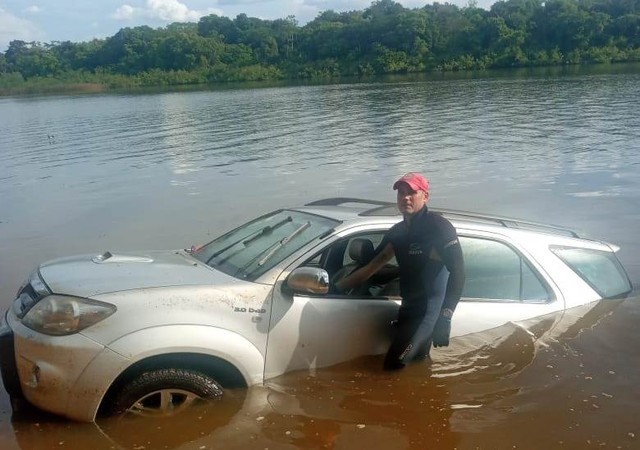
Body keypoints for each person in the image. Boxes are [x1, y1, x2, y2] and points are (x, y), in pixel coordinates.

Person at [336, 172, 465, 370]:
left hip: (427, 315)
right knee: (416, 365)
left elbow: (459, 272)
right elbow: (370, 268)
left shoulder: (439, 228)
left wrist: (446, 317)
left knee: (393, 366)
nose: (405, 197)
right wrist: (335, 288)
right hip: (407, 310)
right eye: (401, 193)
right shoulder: (398, 232)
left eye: (412, 192)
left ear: (425, 196)